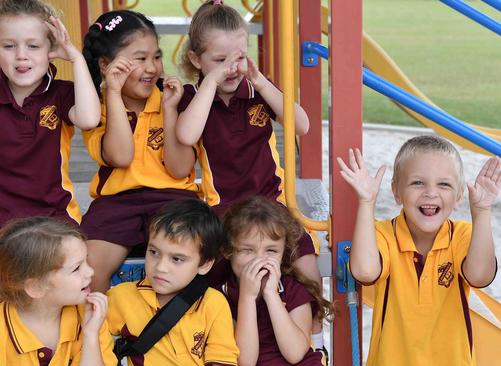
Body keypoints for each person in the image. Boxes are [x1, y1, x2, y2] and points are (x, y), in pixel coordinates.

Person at [175, 0, 325, 353]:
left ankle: (314, 342)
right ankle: (225, 344)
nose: (231, 68)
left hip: (271, 204)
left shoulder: (257, 90)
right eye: (219, 60)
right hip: (225, 210)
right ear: (197, 60)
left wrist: (258, 79)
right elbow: (186, 134)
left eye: (238, 58)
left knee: (306, 264)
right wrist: (210, 83)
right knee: (213, 276)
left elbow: (301, 125)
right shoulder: (194, 97)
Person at [337, 135, 501, 365]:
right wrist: (367, 203)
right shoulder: (384, 233)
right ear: (396, 191)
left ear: (458, 196)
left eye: (444, 184)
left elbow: (480, 275)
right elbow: (365, 272)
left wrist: (482, 211)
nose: (430, 193)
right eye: (418, 183)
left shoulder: (462, 235)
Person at [81, 9, 201, 292]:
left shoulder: (175, 99)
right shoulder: (94, 108)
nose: (152, 68)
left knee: (186, 265)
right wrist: (112, 93)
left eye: (156, 57)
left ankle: (178, 332)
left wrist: (170, 111)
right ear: (106, 65)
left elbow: (180, 168)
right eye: (140, 59)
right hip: (117, 203)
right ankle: (95, 334)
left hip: (174, 199)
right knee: (87, 271)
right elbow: (121, 157)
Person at [0, 0, 101, 228]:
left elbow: (89, 119)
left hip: (54, 217)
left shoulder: (60, 93)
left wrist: (76, 58)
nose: (21, 55)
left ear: (51, 50)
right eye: (8, 46)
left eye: (33, 46)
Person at [106, 199, 239, 365]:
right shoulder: (120, 297)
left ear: (204, 264)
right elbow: (96, 347)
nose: (161, 267)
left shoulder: (214, 304)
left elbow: (222, 359)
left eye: (176, 259)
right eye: (154, 252)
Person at [218, 196, 333, 366]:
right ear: (228, 251)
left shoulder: (294, 290)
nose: (259, 260)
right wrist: (247, 299)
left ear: (282, 253)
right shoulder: (220, 297)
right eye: (247, 250)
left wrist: (271, 294)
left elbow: (295, 353)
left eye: (271, 250)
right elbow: (245, 361)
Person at [0, 217, 116, 365]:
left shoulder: (91, 318)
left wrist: (90, 336)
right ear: (36, 287)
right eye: (76, 268)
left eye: (86, 261)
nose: (90, 272)